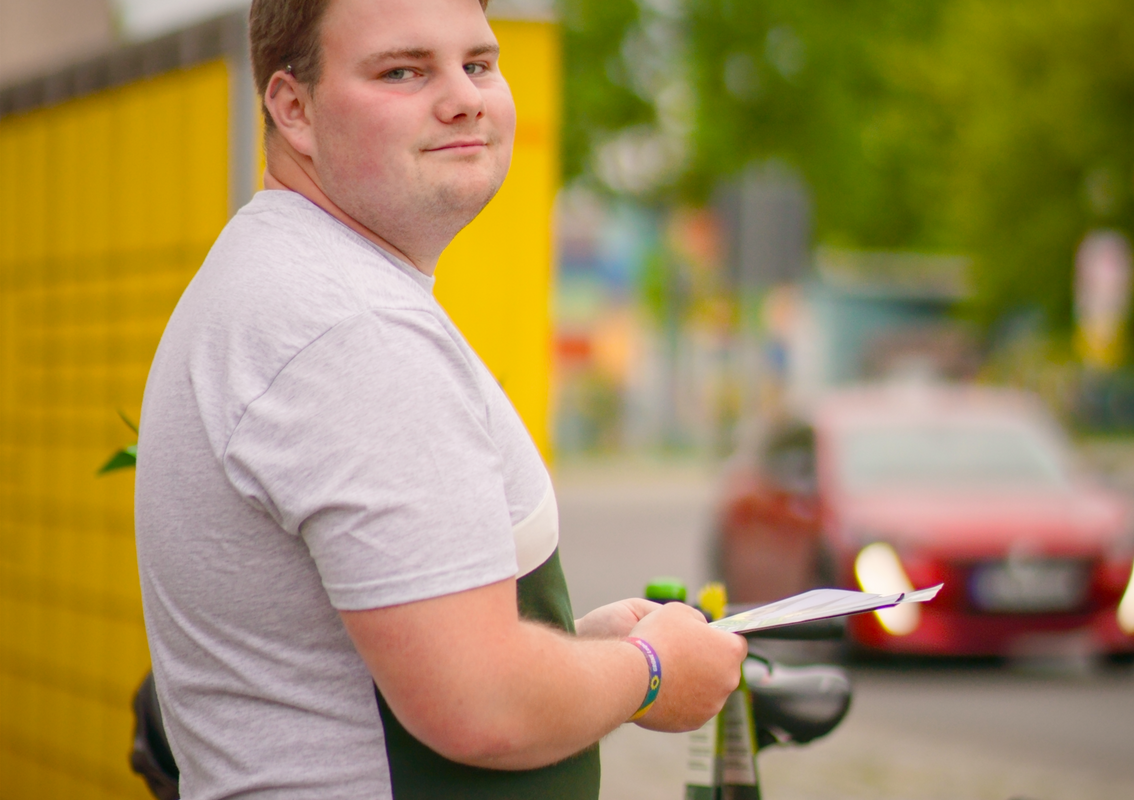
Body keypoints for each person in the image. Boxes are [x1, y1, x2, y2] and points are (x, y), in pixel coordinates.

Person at [133, 0, 748, 798]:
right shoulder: (352, 331)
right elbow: (479, 706)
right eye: (403, 70)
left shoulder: (287, 276)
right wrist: (654, 670)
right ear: (293, 109)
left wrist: (573, 649)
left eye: (480, 64)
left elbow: (385, 661)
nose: (464, 97)